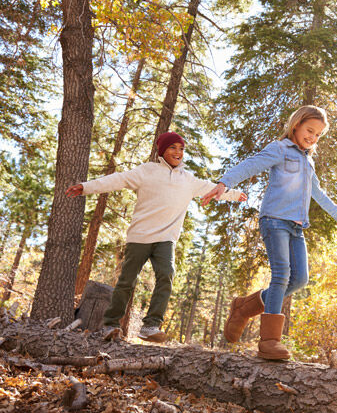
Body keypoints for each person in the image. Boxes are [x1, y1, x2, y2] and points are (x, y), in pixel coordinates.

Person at [201, 105, 337, 360]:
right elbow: (251, 165)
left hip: (296, 227)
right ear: (296, 125)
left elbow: (318, 193)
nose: (313, 138)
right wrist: (224, 183)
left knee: (300, 279)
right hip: (274, 220)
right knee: (282, 275)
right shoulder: (280, 149)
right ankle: (269, 341)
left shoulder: (308, 161)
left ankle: (243, 307)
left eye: (318, 135)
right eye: (310, 130)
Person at [66, 132, 246, 342]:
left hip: (166, 238)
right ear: (162, 150)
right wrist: (86, 187)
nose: (178, 152)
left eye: (181, 148)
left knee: (166, 274)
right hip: (140, 236)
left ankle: (150, 326)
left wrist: (234, 195)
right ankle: (111, 325)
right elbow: (117, 179)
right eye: (172, 148)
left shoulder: (188, 180)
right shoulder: (146, 171)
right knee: (126, 282)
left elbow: (212, 188)